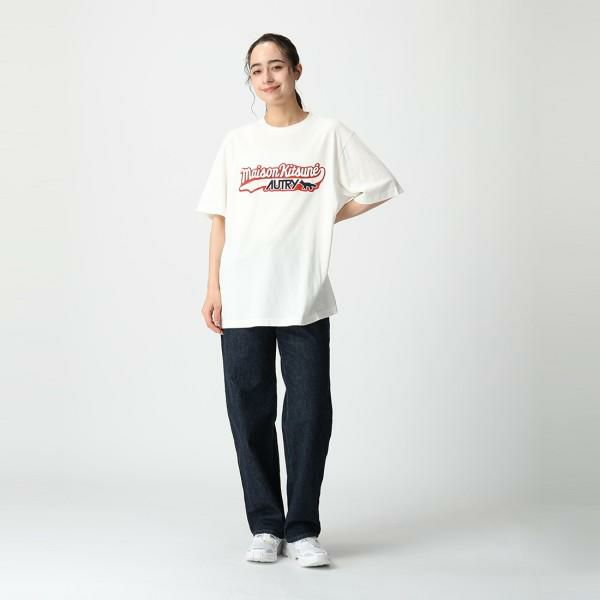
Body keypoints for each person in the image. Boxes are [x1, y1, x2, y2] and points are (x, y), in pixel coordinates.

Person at [196, 33, 404, 567]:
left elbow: (378, 185)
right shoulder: (237, 143)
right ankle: (266, 526)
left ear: (296, 70)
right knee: (249, 412)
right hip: (243, 293)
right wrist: (213, 286)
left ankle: (303, 528)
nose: (266, 78)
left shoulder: (327, 134)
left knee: (309, 412)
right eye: (256, 70)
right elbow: (220, 218)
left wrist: (322, 214)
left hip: (304, 294)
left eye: (276, 66)